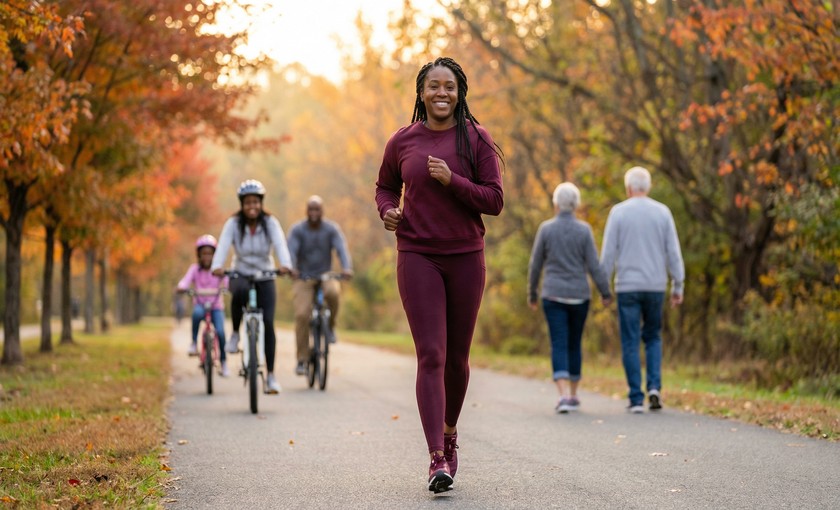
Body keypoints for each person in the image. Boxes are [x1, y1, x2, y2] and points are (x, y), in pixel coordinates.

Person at [375, 57, 504, 494]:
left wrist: (453, 181)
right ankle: (436, 458)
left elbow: (494, 200)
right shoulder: (403, 140)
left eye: (449, 86)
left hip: (466, 255)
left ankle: (450, 433)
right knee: (430, 354)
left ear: (459, 91)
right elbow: (385, 186)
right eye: (434, 86)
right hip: (417, 254)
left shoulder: (476, 139)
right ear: (422, 92)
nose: (442, 93)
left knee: (457, 359)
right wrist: (388, 211)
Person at [600, 166, 684, 414]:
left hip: (627, 287)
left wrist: (605, 287)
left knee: (630, 340)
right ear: (647, 188)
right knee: (653, 337)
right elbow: (673, 252)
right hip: (655, 286)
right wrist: (677, 284)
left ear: (628, 188)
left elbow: (608, 254)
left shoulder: (618, 213)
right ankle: (655, 387)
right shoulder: (662, 212)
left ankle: (636, 397)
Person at [527, 183, 612, 414]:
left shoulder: (546, 229)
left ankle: (563, 395)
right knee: (575, 343)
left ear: (556, 204)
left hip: (552, 295)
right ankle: (573, 395)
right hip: (579, 296)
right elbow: (594, 265)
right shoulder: (584, 230)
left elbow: (535, 265)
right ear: (575, 205)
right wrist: (605, 292)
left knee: (559, 343)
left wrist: (532, 293)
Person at [211, 179, 292, 394]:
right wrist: (217, 265)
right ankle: (236, 333)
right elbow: (224, 244)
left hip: (266, 272)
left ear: (261, 202)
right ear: (242, 204)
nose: (252, 206)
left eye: (255, 202)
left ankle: (272, 376)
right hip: (241, 270)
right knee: (237, 291)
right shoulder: (233, 223)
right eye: (247, 202)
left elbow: (280, 244)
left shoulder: (270, 222)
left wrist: (285, 265)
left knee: (268, 322)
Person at [287, 195, 353, 376]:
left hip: (326, 275)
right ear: (306, 211)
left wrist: (346, 268)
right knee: (302, 314)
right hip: (304, 277)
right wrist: (292, 267)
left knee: (333, 292)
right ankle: (301, 359)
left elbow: (341, 249)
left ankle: (330, 327)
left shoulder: (331, 229)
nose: (314, 213)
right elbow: (290, 250)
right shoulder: (298, 230)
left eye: (317, 209)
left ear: (322, 211)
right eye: (311, 209)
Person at [176, 235, 230, 376]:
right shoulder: (195, 269)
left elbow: (227, 281)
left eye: (210, 253)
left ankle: (223, 362)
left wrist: (230, 287)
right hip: (200, 304)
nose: (207, 256)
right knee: (196, 314)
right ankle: (194, 343)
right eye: (204, 253)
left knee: (220, 331)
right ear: (199, 255)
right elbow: (185, 281)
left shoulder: (218, 269)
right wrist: (182, 287)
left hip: (216, 306)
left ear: (214, 255)